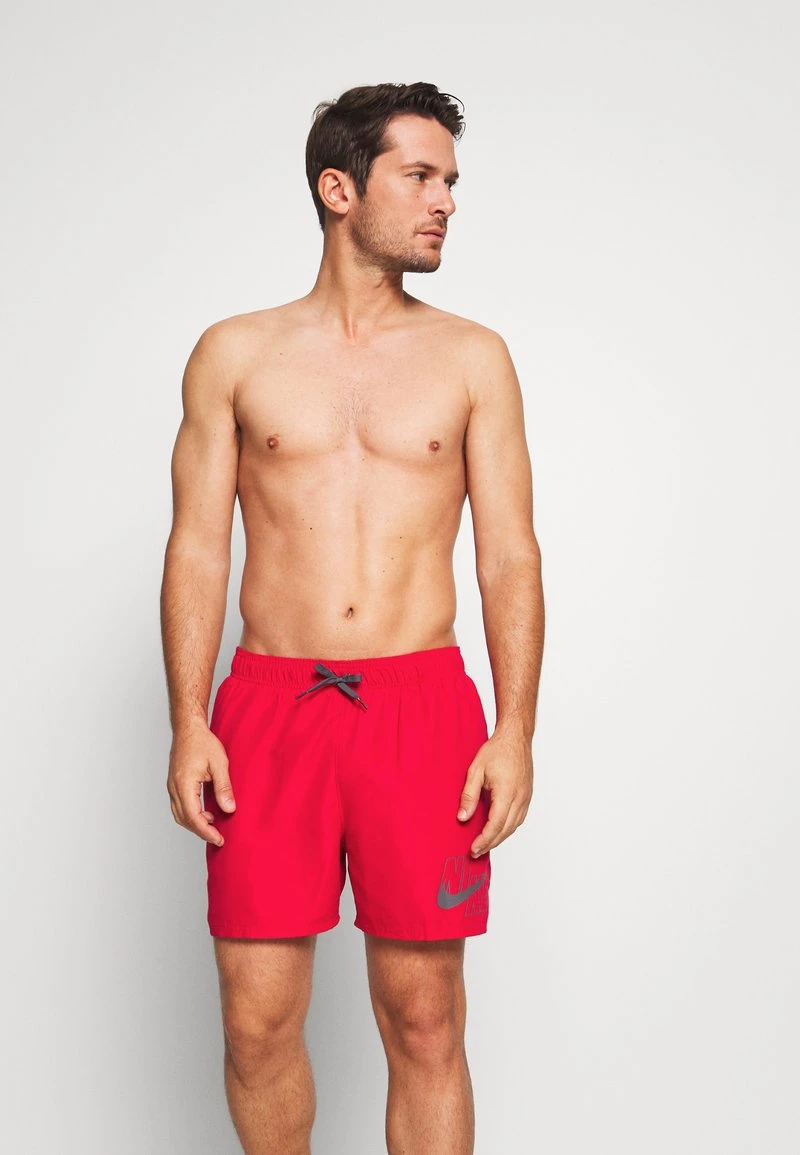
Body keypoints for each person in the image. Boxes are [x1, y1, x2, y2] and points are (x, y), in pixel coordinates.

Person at [161, 80, 545, 1155]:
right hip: (268, 707)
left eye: (450, 181)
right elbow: (197, 547)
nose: (445, 202)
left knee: (424, 1020)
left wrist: (514, 729)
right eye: (419, 177)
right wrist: (188, 720)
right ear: (340, 189)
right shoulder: (234, 353)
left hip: (421, 708)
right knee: (255, 1024)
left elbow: (509, 554)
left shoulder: (473, 358)